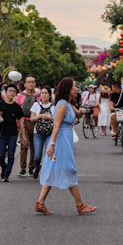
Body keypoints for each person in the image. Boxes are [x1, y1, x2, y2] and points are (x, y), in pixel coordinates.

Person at [35, 77, 96, 215]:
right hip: (61, 140)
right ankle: (80, 205)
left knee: (52, 169)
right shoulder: (62, 105)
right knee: (69, 169)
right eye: (74, 86)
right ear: (68, 88)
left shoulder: (66, 103)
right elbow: (56, 126)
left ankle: (40, 202)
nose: (76, 89)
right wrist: (52, 145)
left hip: (65, 139)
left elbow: (77, 114)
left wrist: (81, 111)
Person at [0, 84, 23, 182]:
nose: (11, 93)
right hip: (2, 133)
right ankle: (4, 167)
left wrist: (22, 134)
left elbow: (20, 120)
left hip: (13, 134)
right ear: (6, 92)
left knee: (11, 154)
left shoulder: (17, 107)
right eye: (10, 91)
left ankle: (7, 173)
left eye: (14, 91)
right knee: (1, 155)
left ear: (16, 93)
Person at [17, 75, 40, 178]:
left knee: (34, 147)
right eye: (29, 82)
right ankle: (22, 168)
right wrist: (18, 126)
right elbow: (17, 111)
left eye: (33, 82)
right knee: (24, 144)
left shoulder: (39, 95)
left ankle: (31, 167)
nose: (31, 84)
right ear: (25, 84)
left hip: (36, 123)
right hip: (24, 122)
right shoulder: (20, 96)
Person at [29, 87, 54, 178]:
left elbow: (56, 119)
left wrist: (49, 117)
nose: (44, 95)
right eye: (42, 93)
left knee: (48, 154)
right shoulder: (36, 105)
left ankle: (46, 172)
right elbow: (32, 119)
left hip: (50, 133)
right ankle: (37, 166)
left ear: (49, 95)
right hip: (38, 133)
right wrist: (40, 116)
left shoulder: (53, 106)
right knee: (37, 156)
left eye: (46, 93)